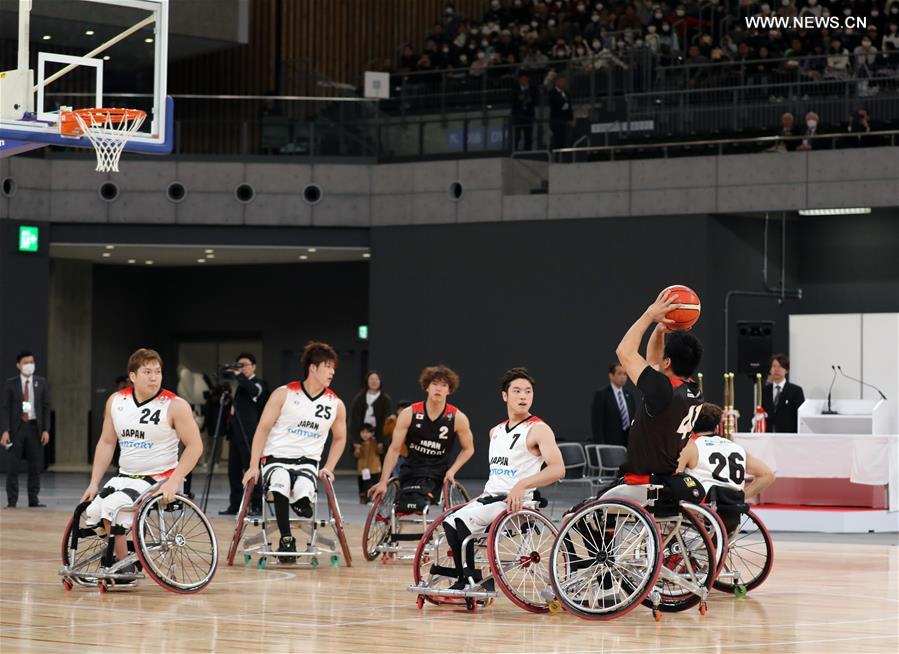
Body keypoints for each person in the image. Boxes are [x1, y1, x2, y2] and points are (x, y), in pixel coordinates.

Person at [442, 368, 565, 589]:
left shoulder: (538, 429)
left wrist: (523, 484)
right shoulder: (495, 432)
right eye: (517, 391)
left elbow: (558, 470)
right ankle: (469, 578)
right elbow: (497, 476)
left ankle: (470, 581)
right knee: (449, 521)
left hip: (518, 503)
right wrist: (478, 499)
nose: (523, 396)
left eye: (528, 391)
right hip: (492, 499)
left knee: (462, 521)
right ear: (505, 396)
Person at [79, 349, 203, 569]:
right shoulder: (116, 401)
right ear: (133, 376)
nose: (154, 377)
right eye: (147, 372)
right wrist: (93, 483)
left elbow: (195, 446)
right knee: (92, 511)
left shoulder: (175, 405)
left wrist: (175, 480)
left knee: (112, 508)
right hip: (125, 476)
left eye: (157, 371)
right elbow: (107, 443)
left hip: (160, 477)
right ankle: (125, 551)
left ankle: (123, 563)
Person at [242, 342, 347, 562]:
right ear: (312, 368)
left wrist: (329, 467)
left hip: (307, 463)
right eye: (327, 366)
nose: (332, 371)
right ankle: (286, 538)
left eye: (333, 367)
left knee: (302, 489)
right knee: (280, 480)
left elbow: (340, 438)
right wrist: (253, 466)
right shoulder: (284, 393)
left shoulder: (335, 403)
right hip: (276, 458)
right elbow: (262, 429)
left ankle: (301, 504)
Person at [606, 289, 704, 504]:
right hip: (667, 478)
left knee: (576, 518)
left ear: (668, 362)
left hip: (639, 479)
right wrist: (660, 330)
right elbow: (654, 363)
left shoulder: (663, 389)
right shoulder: (694, 391)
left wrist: (649, 315)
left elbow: (624, 352)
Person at [369, 365, 474, 513]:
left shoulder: (458, 417)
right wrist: (383, 481)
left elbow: (469, 449)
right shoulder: (409, 413)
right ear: (427, 387)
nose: (438, 389)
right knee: (403, 504)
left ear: (449, 390)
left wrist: (452, 471)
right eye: (435, 384)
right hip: (411, 469)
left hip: (438, 472)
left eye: (444, 385)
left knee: (421, 501)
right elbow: (394, 449)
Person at [677, 402, 776, 533]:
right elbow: (768, 475)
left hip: (701, 511)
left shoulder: (690, 446)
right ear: (717, 426)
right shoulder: (735, 447)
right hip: (731, 513)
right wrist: (740, 496)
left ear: (690, 423)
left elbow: (675, 475)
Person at [1, 351, 52, 508]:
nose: (29, 365)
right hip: (16, 429)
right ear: (19, 365)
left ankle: (33, 500)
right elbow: (5, 408)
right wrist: (5, 430)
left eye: (31, 361)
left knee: (35, 467)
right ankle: (11, 501)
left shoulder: (41, 382)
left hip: (34, 428)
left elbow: (45, 407)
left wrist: (46, 430)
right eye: (25, 362)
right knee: (12, 467)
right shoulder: (11, 383)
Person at [221, 353, 268, 516]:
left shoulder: (259, 383)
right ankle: (235, 505)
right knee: (233, 471)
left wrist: (239, 375)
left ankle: (256, 505)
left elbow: (254, 391)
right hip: (235, 434)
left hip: (250, 435)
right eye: (238, 365)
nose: (241, 368)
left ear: (254, 366)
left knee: (251, 469)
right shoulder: (238, 385)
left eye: (245, 365)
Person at [590, 362, 637, 447]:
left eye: (625, 374)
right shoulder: (602, 395)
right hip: (610, 443)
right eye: (619, 374)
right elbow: (597, 424)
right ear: (611, 376)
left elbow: (633, 419)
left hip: (628, 442)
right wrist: (601, 446)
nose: (623, 377)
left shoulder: (629, 396)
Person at [349, 371, 393, 450]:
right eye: (371, 379)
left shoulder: (385, 400)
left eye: (376, 379)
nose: (374, 381)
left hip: (379, 440)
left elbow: (387, 422)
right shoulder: (359, 399)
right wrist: (356, 440)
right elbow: (354, 421)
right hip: (362, 438)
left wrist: (382, 441)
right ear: (367, 381)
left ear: (380, 381)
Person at [762, 353, 805, 433]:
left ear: (787, 370)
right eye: (774, 366)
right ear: (770, 370)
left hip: (788, 436)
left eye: (780, 366)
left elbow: (800, 416)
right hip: (768, 435)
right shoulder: (764, 391)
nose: (776, 369)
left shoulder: (796, 391)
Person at [354, 422, 382, 503]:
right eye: (363, 432)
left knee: (375, 483)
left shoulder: (375, 441)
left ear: (372, 433)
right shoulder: (359, 443)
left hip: (374, 468)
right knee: (364, 485)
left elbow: (379, 452)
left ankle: (375, 499)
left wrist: (380, 446)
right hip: (363, 468)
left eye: (367, 432)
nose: (365, 434)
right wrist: (357, 449)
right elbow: (356, 456)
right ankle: (365, 498)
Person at [548, 76, 574, 152]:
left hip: (565, 119)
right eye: (561, 81)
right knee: (557, 138)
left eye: (564, 82)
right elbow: (555, 104)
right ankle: (555, 155)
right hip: (556, 119)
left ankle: (563, 155)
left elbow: (569, 106)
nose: (563, 83)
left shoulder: (567, 93)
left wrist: (571, 118)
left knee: (565, 138)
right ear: (556, 83)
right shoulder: (552, 93)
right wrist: (563, 101)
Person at [511, 72, 536, 151]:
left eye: (525, 79)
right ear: (519, 80)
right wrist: (519, 99)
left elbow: (536, 99)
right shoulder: (515, 89)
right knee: (517, 134)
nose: (524, 81)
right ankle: (514, 151)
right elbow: (512, 101)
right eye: (522, 79)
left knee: (528, 134)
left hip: (529, 115)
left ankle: (527, 151)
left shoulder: (532, 88)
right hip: (518, 115)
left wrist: (530, 100)